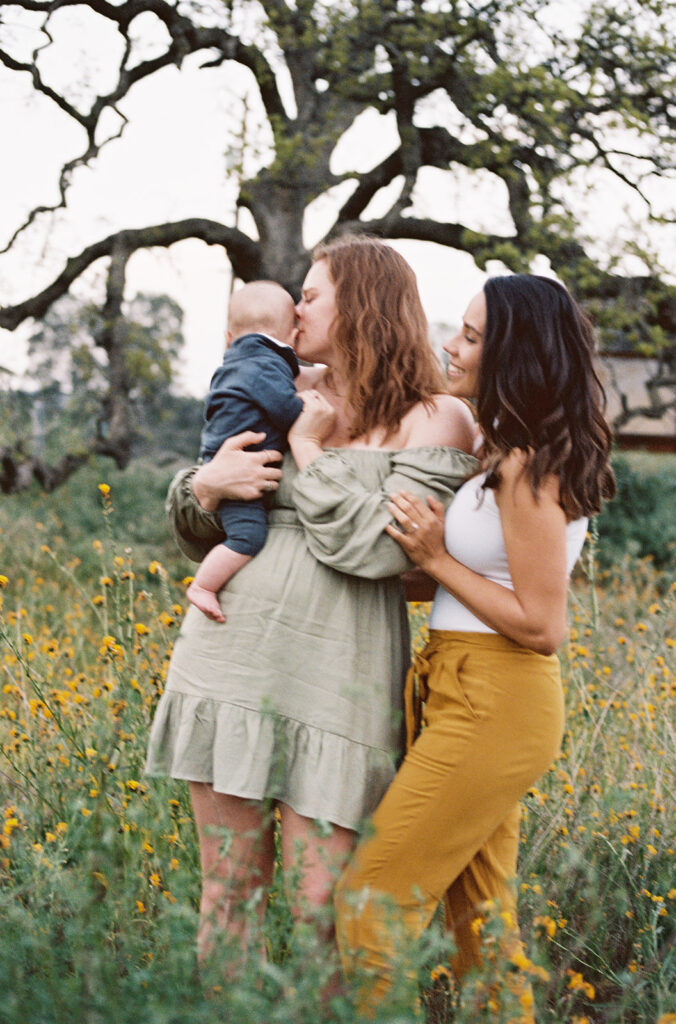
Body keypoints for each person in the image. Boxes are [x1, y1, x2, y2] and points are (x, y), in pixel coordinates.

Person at [145, 235, 478, 969]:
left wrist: (306, 449)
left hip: (340, 674)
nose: (296, 307)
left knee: (320, 909)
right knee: (230, 890)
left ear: (362, 304)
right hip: (232, 655)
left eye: (313, 293)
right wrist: (205, 488)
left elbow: (381, 549)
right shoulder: (274, 384)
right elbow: (201, 520)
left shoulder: (436, 419)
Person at [332, 273, 616, 1017]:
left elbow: (542, 626)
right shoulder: (504, 452)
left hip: (498, 699)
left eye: (470, 334)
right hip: (462, 685)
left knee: (372, 896)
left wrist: (434, 557)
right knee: (483, 929)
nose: (450, 345)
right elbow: (467, 587)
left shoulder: (528, 468)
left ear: (514, 351)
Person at [186, 281, 303, 622]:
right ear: (291, 337)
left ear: (228, 338)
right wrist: (308, 415)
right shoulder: (266, 364)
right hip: (240, 469)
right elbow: (285, 409)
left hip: (219, 459)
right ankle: (204, 586)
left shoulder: (236, 362)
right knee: (248, 535)